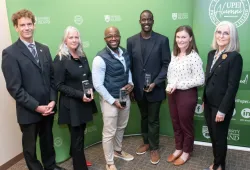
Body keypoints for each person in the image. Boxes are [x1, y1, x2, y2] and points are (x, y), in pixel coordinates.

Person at [1, 9, 65, 170]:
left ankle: (50, 166)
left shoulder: (44, 48)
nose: (26, 28)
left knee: (47, 140)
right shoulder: (10, 53)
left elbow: (51, 78)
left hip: (48, 107)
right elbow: (14, 88)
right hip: (29, 110)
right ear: (16, 27)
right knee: (30, 147)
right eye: (22, 25)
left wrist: (52, 100)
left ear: (34, 25)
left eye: (29, 24)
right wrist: (36, 106)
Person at [127, 10, 171, 164]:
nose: (146, 22)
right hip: (139, 90)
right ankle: (146, 141)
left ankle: (154, 147)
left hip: (155, 88)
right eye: (143, 19)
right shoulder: (131, 41)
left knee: (153, 119)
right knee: (144, 117)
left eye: (149, 19)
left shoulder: (162, 40)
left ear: (153, 21)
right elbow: (130, 66)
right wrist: (132, 87)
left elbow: (166, 65)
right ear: (140, 21)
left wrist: (155, 82)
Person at [53, 26, 97, 170]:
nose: (74, 40)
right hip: (71, 105)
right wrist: (80, 95)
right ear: (65, 40)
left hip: (85, 103)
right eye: (71, 37)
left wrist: (91, 88)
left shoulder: (82, 55)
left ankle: (77, 157)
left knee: (79, 135)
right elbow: (58, 85)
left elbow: (89, 75)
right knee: (77, 137)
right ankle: (80, 166)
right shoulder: (60, 58)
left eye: (76, 37)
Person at [92, 26, 134, 170]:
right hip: (110, 100)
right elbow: (97, 85)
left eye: (116, 35)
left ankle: (117, 151)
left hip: (124, 97)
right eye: (110, 36)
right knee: (109, 133)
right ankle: (109, 162)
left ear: (119, 36)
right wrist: (112, 101)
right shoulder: (100, 58)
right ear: (105, 39)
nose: (113, 38)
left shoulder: (125, 53)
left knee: (121, 126)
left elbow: (127, 70)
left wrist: (131, 83)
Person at [203, 21, 243, 170]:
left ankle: (220, 165)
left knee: (219, 139)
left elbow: (232, 87)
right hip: (209, 104)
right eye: (219, 32)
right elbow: (209, 80)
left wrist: (222, 110)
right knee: (213, 137)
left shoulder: (235, 57)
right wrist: (204, 100)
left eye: (226, 33)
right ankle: (217, 161)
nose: (221, 36)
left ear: (232, 36)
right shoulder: (211, 54)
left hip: (221, 107)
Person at [166, 25, 205, 166]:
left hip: (187, 95)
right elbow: (171, 74)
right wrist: (170, 84)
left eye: (183, 37)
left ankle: (186, 151)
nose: (180, 40)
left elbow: (200, 80)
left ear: (190, 38)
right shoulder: (174, 53)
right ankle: (178, 148)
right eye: (178, 37)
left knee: (185, 125)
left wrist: (180, 85)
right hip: (172, 94)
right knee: (176, 123)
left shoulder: (194, 57)